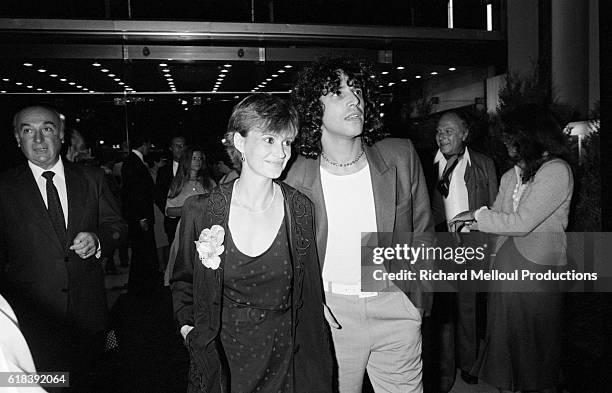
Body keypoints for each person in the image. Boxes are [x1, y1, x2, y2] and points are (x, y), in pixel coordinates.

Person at [285, 57, 434, 393]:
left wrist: (417, 301)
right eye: (337, 93)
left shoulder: (400, 155)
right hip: (332, 315)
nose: (353, 100)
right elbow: (285, 251)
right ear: (313, 108)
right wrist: (306, 302)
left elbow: (423, 230)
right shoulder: (293, 173)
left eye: (357, 91)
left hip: (395, 304)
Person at [171, 94, 332, 393]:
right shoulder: (202, 210)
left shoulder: (299, 209)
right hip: (224, 361)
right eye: (270, 139)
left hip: (286, 359)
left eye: (287, 142)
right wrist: (188, 329)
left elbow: (307, 288)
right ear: (240, 142)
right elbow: (183, 281)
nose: (282, 152)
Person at [450, 103, 574, 393]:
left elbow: (521, 222)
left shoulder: (556, 171)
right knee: (504, 341)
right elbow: (499, 218)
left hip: (538, 272)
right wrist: (468, 225)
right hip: (506, 269)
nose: (505, 141)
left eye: (511, 135)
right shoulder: (511, 175)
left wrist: (476, 215)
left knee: (535, 343)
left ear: (530, 135)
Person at [0, 105, 127, 386]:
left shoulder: (93, 178)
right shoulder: (5, 187)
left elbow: (117, 226)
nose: (38, 140)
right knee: (49, 382)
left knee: (95, 378)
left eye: (46, 129)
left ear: (60, 134)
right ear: (16, 138)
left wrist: (99, 240)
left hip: (90, 313)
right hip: (33, 317)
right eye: (27, 131)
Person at [426, 110, 498, 390]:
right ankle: (444, 372)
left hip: (472, 243)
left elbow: (493, 206)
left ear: (465, 134)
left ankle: (469, 364)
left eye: (449, 131)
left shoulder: (483, 164)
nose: (442, 136)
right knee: (442, 311)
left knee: (468, 308)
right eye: (439, 131)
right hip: (441, 243)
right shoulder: (427, 164)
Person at [163, 145, 216, 285]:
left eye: (199, 158)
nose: (197, 161)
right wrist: (190, 208)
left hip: (207, 230)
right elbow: (169, 211)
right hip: (186, 230)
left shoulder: (209, 183)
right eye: (194, 158)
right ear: (187, 161)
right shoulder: (178, 183)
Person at [121, 133, 159, 292]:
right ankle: (141, 285)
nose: (150, 148)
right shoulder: (134, 163)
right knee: (142, 250)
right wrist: (142, 217)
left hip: (139, 215)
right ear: (144, 144)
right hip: (140, 216)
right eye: (148, 145)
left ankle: (142, 283)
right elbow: (136, 193)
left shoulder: (133, 162)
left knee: (142, 250)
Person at [155, 135, 186, 244]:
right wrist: (170, 211)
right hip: (171, 221)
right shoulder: (163, 171)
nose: (180, 148)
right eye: (177, 145)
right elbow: (158, 195)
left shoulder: (194, 168)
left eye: (182, 145)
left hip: (190, 221)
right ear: (171, 148)